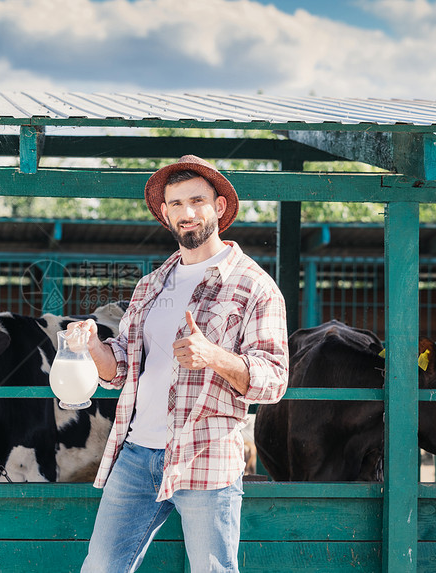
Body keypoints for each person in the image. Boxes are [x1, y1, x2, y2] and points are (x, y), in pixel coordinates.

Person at [69, 155, 289, 572]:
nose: (186, 213)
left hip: (205, 455)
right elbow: (120, 369)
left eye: (197, 201)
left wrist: (213, 356)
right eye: (176, 204)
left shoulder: (254, 286)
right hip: (136, 454)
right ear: (165, 213)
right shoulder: (151, 285)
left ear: (219, 207)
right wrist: (94, 346)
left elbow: (275, 380)